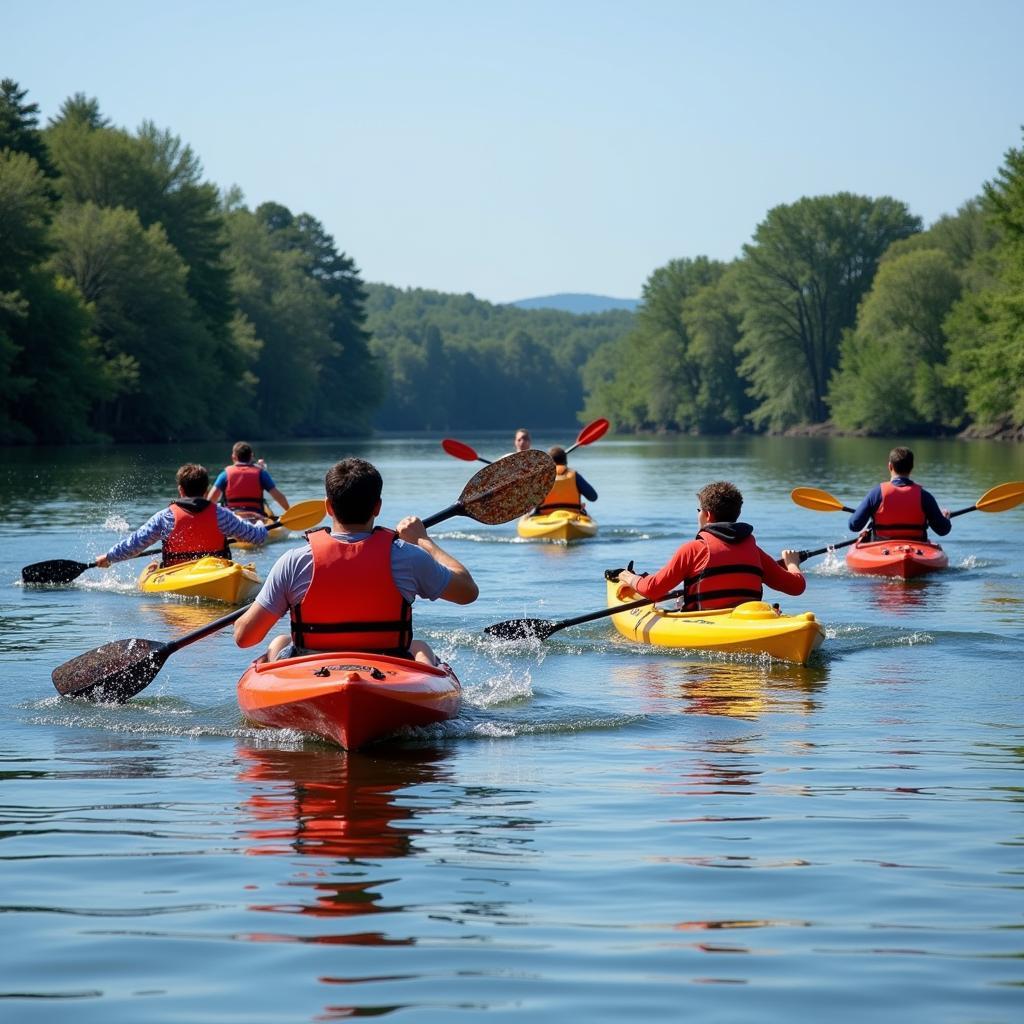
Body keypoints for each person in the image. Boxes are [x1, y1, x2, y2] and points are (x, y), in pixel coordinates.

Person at [233, 457, 479, 666]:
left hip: (312, 667)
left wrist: (272, 601)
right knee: (420, 647)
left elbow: (245, 637)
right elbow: (467, 592)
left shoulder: (293, 562)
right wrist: (423, 541)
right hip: (388, 665)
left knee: (280, 642)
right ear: (378, 507)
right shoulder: (409, 556)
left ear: (329, 507)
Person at [615, 481, 806, 610]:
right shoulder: (754, 551)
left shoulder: (692, 550)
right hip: (746, 623)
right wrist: (792, 563)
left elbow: (652, 590)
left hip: (708, 625)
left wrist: (626, 576)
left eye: (699, 510)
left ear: (707, 515)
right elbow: (796, 587)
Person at [96, 463, 268, 569]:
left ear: (180, 490)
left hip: (176, 572)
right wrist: (261, 526)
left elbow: (135, 544)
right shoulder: (221, 515)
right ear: (206, 491)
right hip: (216, 570)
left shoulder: (165, 517)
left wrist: (109, 557)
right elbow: (256, 537)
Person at [848, 447, 951, 541]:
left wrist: (867, 513)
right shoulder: (924, 496)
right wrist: (945, 518)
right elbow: (943, 530)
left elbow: (854, 525)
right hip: (916, 547)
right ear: (912, 467)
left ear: (890, 466)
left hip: (881, 547)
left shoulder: (876, 494)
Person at [207, 442, 289, 520]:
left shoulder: (225, 474)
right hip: (256, 517)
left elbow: (211, 498)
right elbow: (278, 496)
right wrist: (288, 511)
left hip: (232, 518)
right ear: (251, 456)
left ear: (233, 457)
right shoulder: (261, 474)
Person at [534, 445, 598, 513]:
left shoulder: (542, 478)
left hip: (544, 516)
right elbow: (593, 497)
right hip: (572, 515)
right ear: (566, 462)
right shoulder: (574, 475)